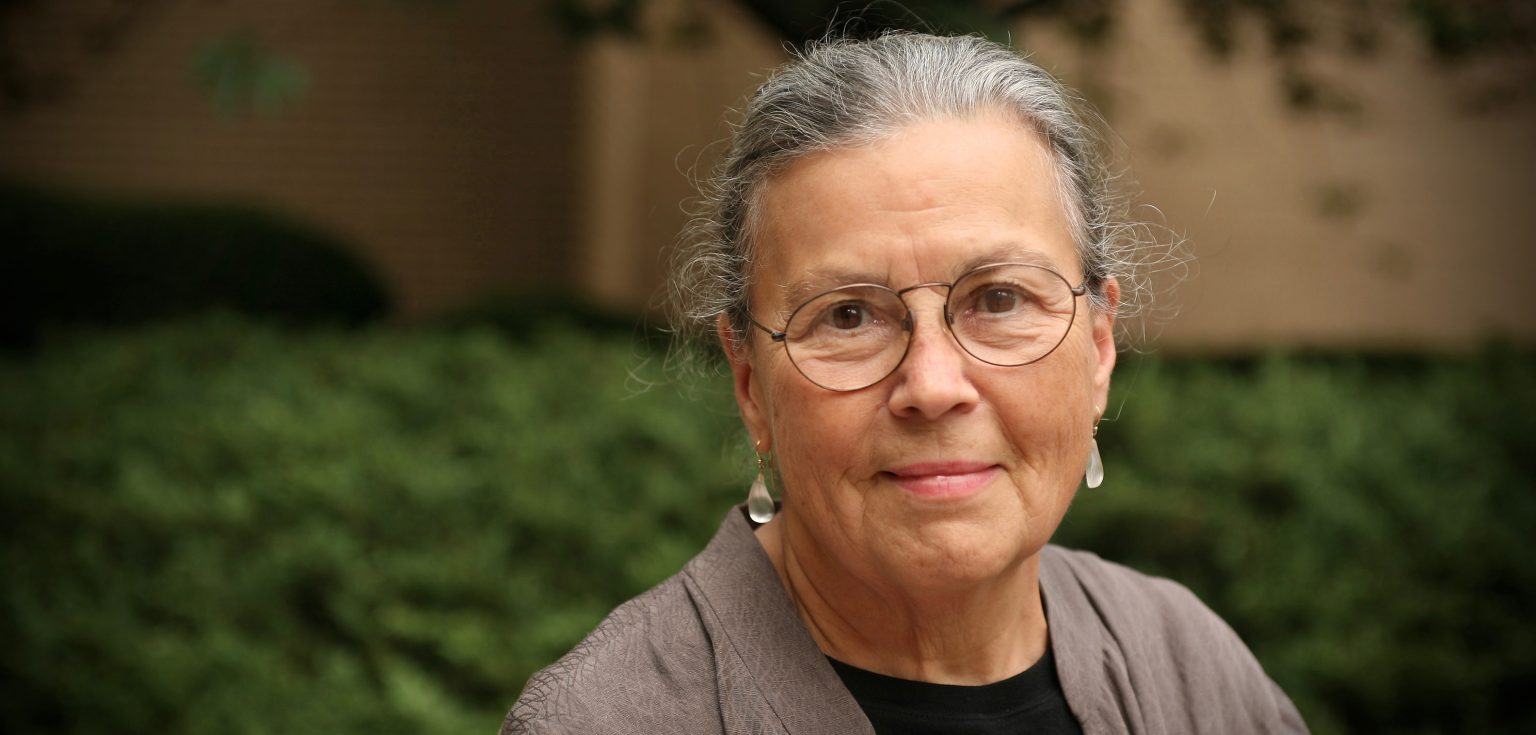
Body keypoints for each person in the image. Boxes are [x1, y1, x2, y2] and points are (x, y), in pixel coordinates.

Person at [502, 33, 1307, 735]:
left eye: (999, 299)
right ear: (750, 381)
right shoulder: (606, 717)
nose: (932, 384)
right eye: (848, 316)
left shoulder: (1189, 666)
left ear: (1098, 349)